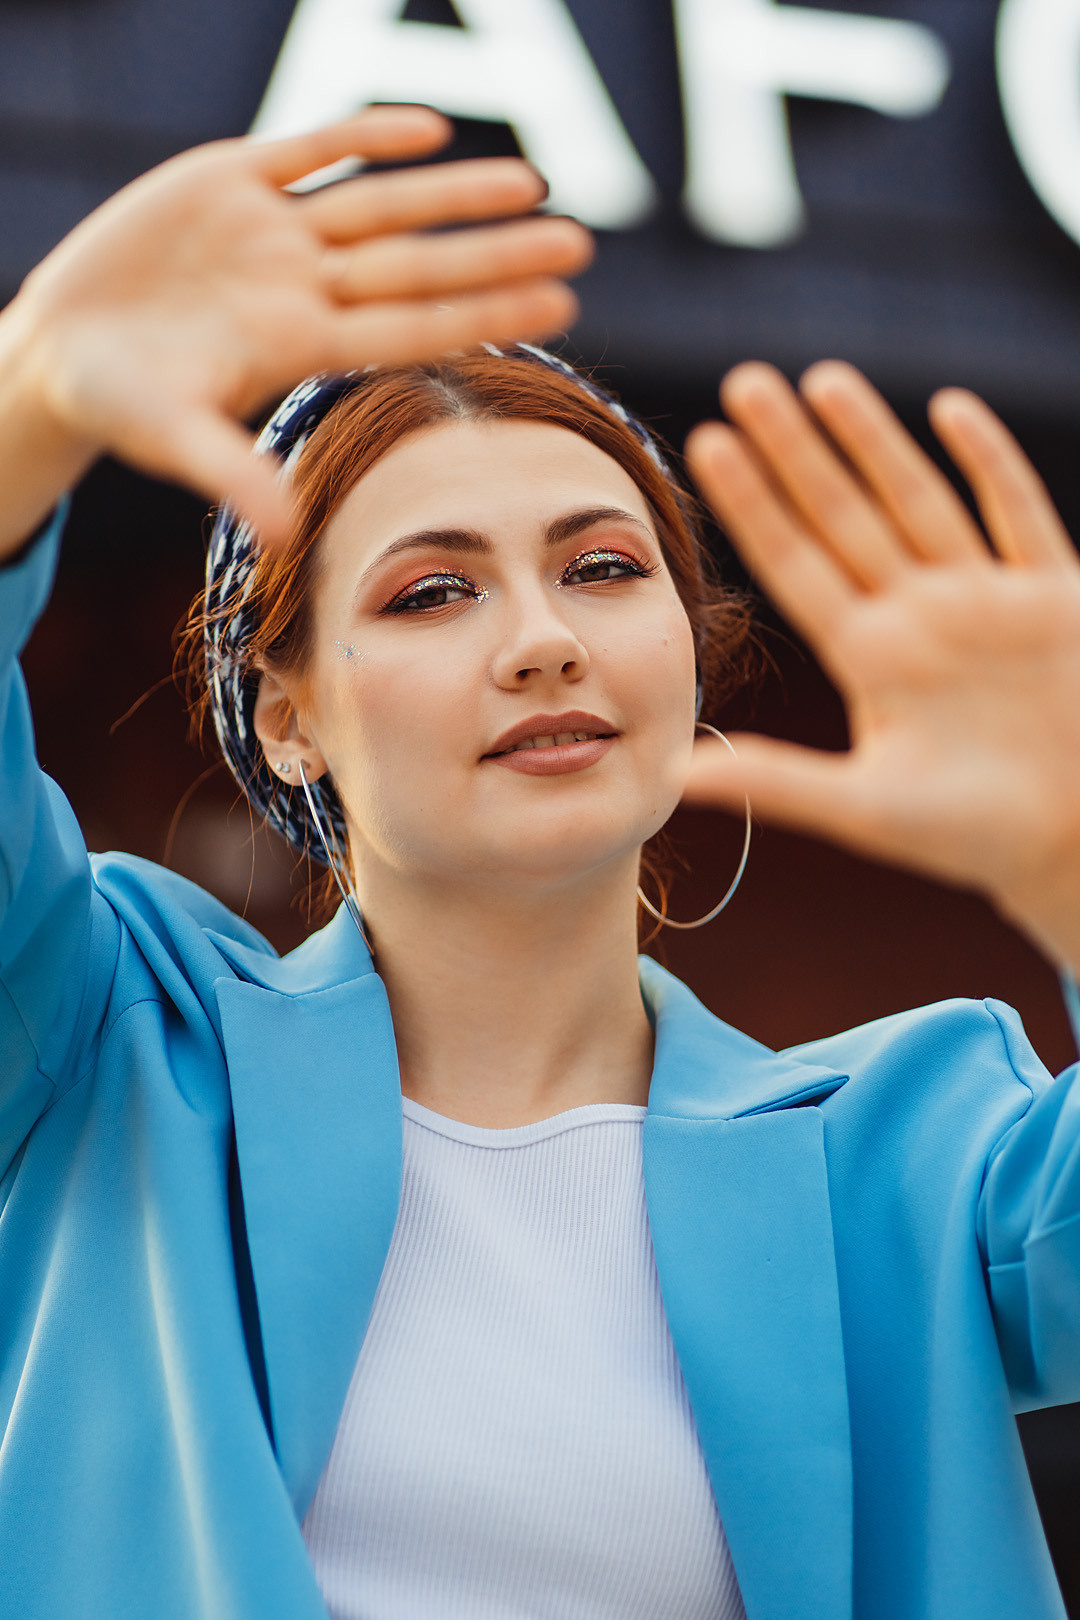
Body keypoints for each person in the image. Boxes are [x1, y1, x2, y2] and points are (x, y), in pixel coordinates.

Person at [2, 106, 1080, 1620]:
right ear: (290, 716)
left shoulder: (910, 1153)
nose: (544, 639)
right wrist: (25, 405)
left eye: (604, 567)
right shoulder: (108, 1042)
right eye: (435, 590)